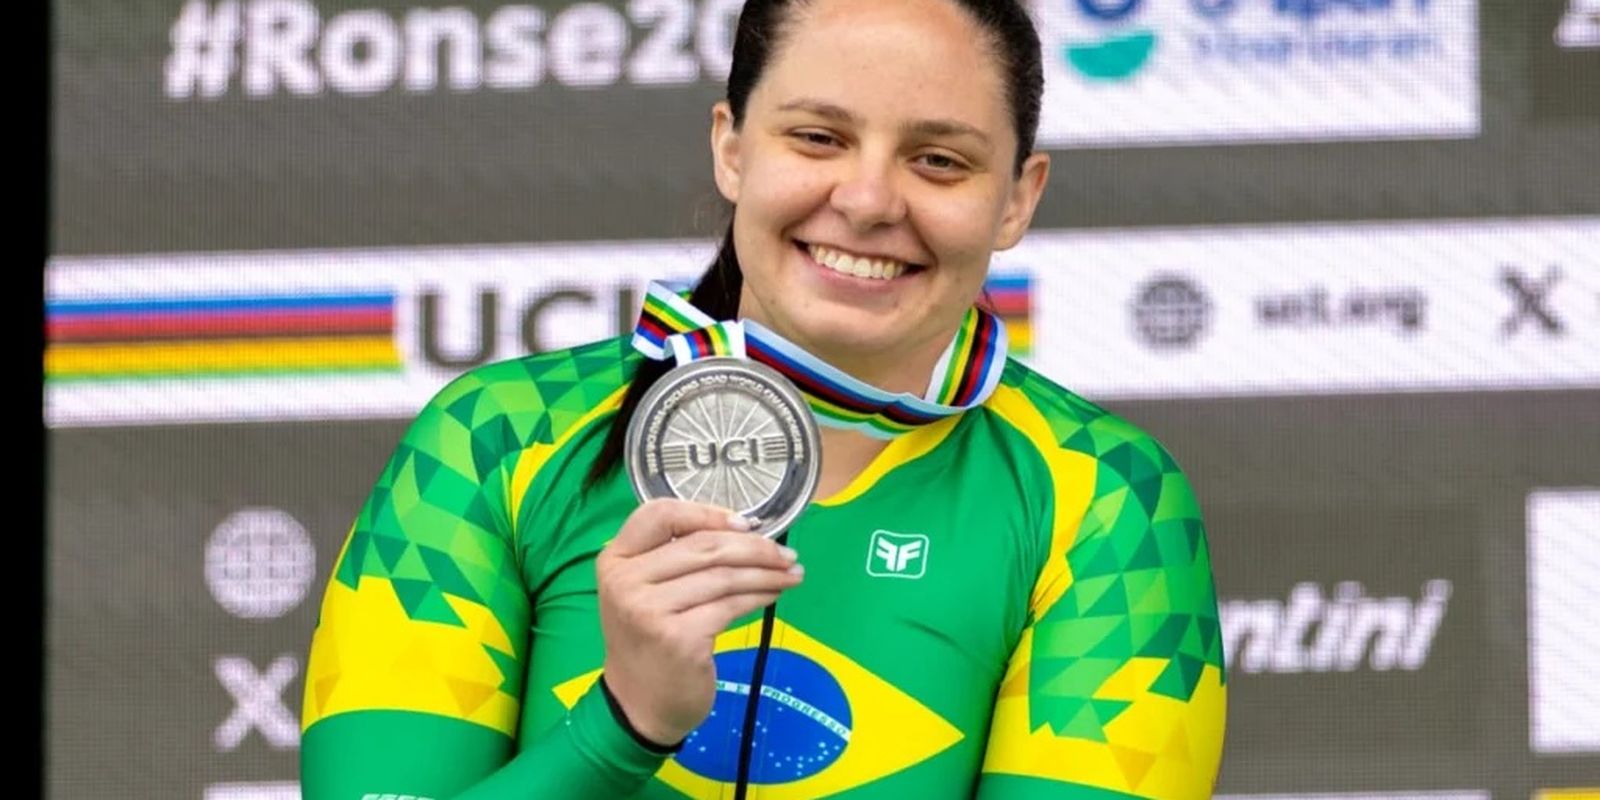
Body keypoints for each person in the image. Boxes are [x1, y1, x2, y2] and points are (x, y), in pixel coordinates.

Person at [298, 0, 1227, 797]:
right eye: (818, 138)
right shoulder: (497, 439)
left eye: (940, 160)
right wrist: (623, 724)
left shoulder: (1107, 500)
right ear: (732, 148)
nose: (868, 201)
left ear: (1018, 199)